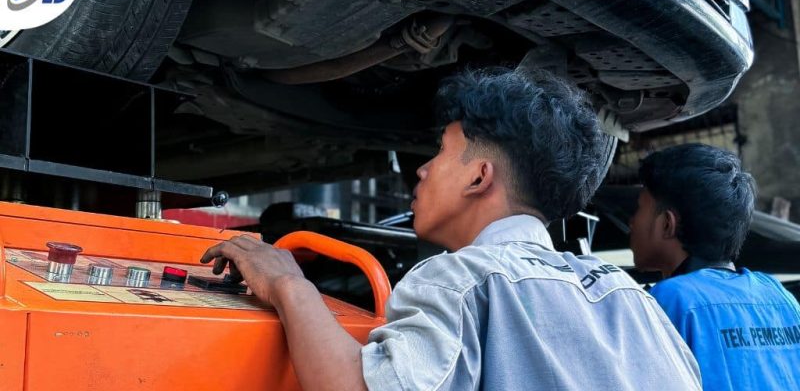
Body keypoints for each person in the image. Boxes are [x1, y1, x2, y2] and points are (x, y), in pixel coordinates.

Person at [201, 68, 701, 390]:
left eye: (439, 153)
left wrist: (288, 284)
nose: (422, 169)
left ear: (480, 177)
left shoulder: (462, 280)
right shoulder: (634, 300)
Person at [629, 143, 800, 390]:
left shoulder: (669, 300)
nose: (631, 221)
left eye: (639, 208)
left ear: (667, 224)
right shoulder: (780, 296)